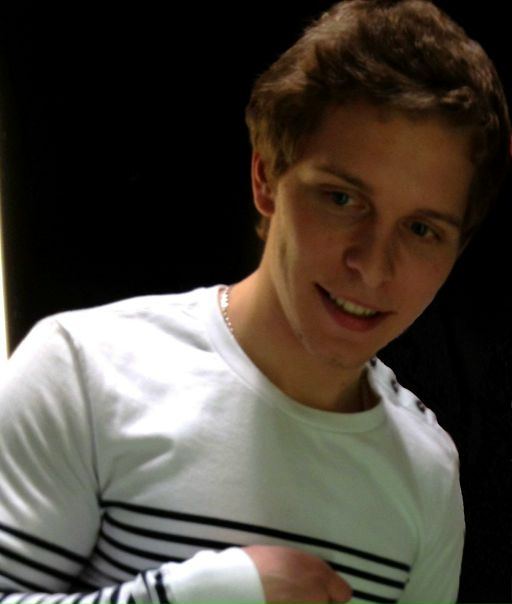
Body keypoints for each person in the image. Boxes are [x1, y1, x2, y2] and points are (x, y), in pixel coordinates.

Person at [0, 0, 509, 602]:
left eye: (422, 230)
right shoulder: (81, 370)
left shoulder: (428, 473)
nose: (373, 266)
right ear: (266, 179)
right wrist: (188, 597)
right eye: (342, 199)